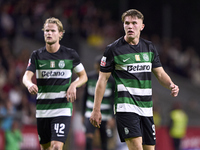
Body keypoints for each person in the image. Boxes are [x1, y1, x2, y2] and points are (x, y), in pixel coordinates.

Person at [89, 9, 179, 150]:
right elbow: (102, 80)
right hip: (125, 107)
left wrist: (171, 84)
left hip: (146, 108)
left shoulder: (149, 48)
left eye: (134, 23)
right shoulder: (113, 50)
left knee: (149, 148)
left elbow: (160, 73)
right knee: (137, 147)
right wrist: (96, 109)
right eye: (127, 23)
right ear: (123, 25)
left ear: (142, 26)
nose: (130, 26)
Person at [22, 17, 88, 150]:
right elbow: (26, 77)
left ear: (60, 34)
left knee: (57, 147)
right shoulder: (37, 55)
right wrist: (29, 84)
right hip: (43, 110)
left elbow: (83, 76)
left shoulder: (70, 54)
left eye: (52, 30)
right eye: (46, 30)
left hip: (62, 108)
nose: (49, 33)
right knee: (46, 148)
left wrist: (74, 85)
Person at [82, 55, 115, 150]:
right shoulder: (89, 77)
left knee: (104, 141)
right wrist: (83, 114)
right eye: (97, 66)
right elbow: (85, 96)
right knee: (88, 137)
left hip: (105, 114)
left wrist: (112, 117)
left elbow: (113, 99)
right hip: (90, 113)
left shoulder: (111, 80)